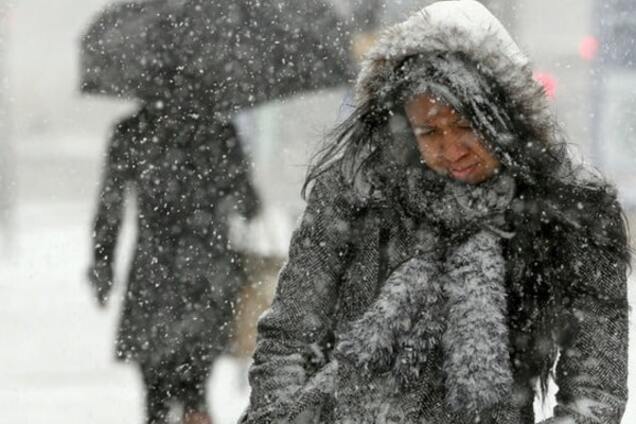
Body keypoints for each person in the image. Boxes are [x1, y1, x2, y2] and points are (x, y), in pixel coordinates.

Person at [241, 1, 631, 423]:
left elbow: (595, 389)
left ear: (505, 114)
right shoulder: (358, 190)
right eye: (429, 132)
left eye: (467, 126)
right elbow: (288, 337)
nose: (451, 149)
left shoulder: (568, 207)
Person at [88, 100, 260, 424]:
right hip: (207, 275)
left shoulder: (131, 132)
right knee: (195, 389)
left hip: (152, 277)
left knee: (155, 397)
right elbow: (249, 204)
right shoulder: (219, 131)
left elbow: (109, 207)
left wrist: (102, 263)